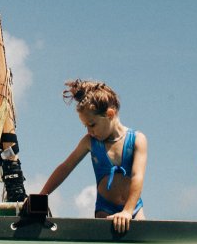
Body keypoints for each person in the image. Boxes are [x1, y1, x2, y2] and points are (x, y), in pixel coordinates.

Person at [37, 79, 148, 232]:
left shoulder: (137, 140)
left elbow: (137, 177)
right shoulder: (90, 142)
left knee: (141, 237)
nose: (89, 131)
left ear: (110, 114)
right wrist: (42, 195)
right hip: (105, 209)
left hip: (133, 209)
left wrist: (128, 211)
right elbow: (65, 167)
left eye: (92, 125)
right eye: (86, 127)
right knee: (105, 237)